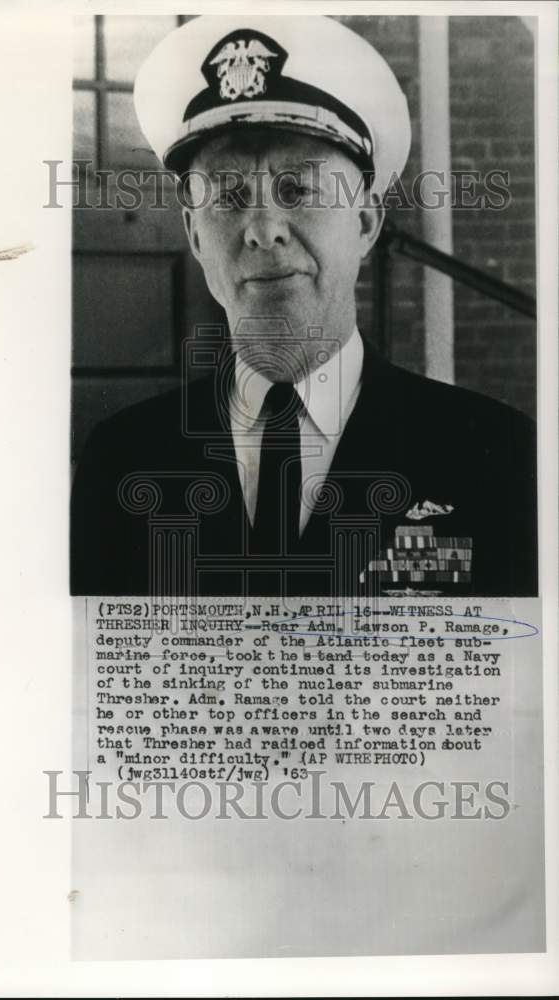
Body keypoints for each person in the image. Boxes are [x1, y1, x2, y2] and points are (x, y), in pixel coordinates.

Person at [70, 15, 537, 598]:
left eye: (297, 189)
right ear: (193, 236)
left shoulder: (495, 455)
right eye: (230, 195)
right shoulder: (121, 462)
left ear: (366, 223)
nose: (263, 230)